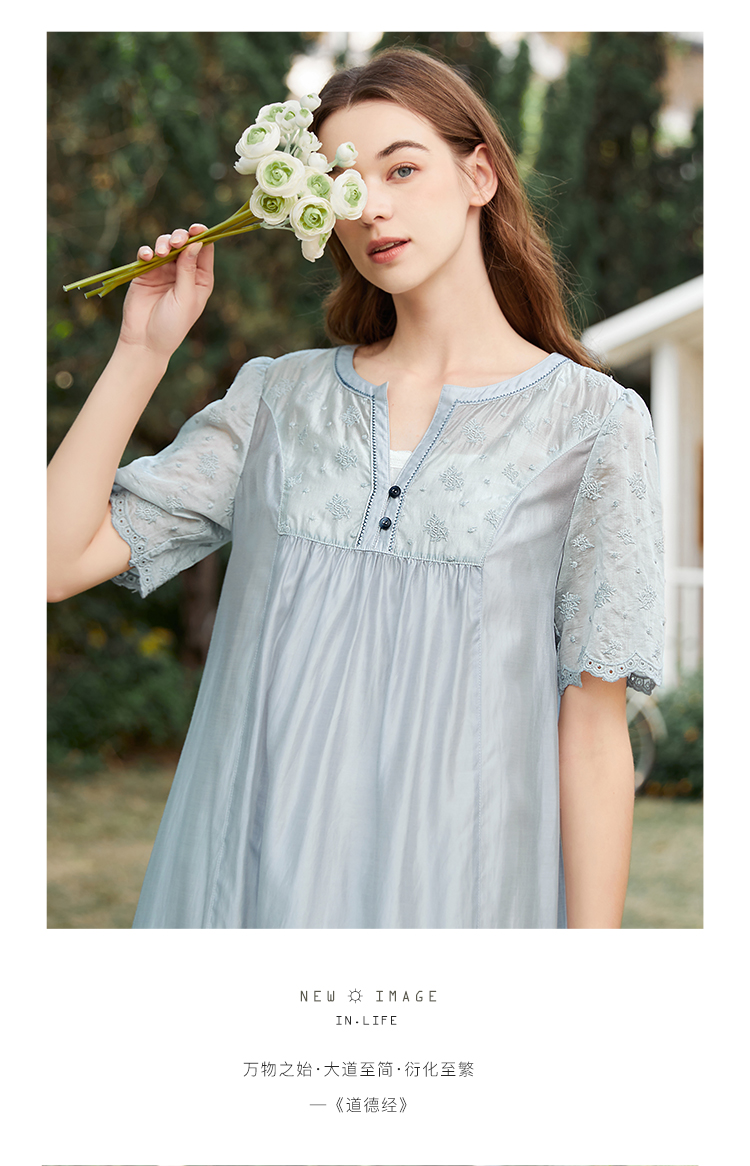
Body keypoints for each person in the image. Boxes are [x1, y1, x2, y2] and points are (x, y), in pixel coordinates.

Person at [47, 48, 665, 929]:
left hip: (465, 897)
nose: (370, 205)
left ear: (479, 174)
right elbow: (50, 562)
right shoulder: (277, 400)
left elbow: (597, 730)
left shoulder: (594, 423)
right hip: (247, 889)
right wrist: (142, 352)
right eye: (342, 182)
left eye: (401, 168)